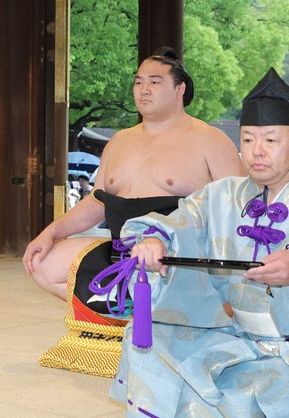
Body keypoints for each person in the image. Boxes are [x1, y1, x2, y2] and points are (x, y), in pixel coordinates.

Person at [111, 67, 289, 416]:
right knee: (150, 336)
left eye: (271, 141)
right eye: (248, 140)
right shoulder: (222, 195)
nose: (257, 151)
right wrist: (154, 242)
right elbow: (179, 222)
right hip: (232, 332)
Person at [23, 47, 243, 308]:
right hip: (121, 251)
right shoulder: (119, 141)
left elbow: (237, 208)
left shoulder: (210, 140)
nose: (144, 90)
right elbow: (97, 203)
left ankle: (160, 313)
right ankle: (124, 312)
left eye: (154, 82)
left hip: (178, 259)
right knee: (41, 263)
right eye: (138, 82)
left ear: (179, 89)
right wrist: (50, 232)